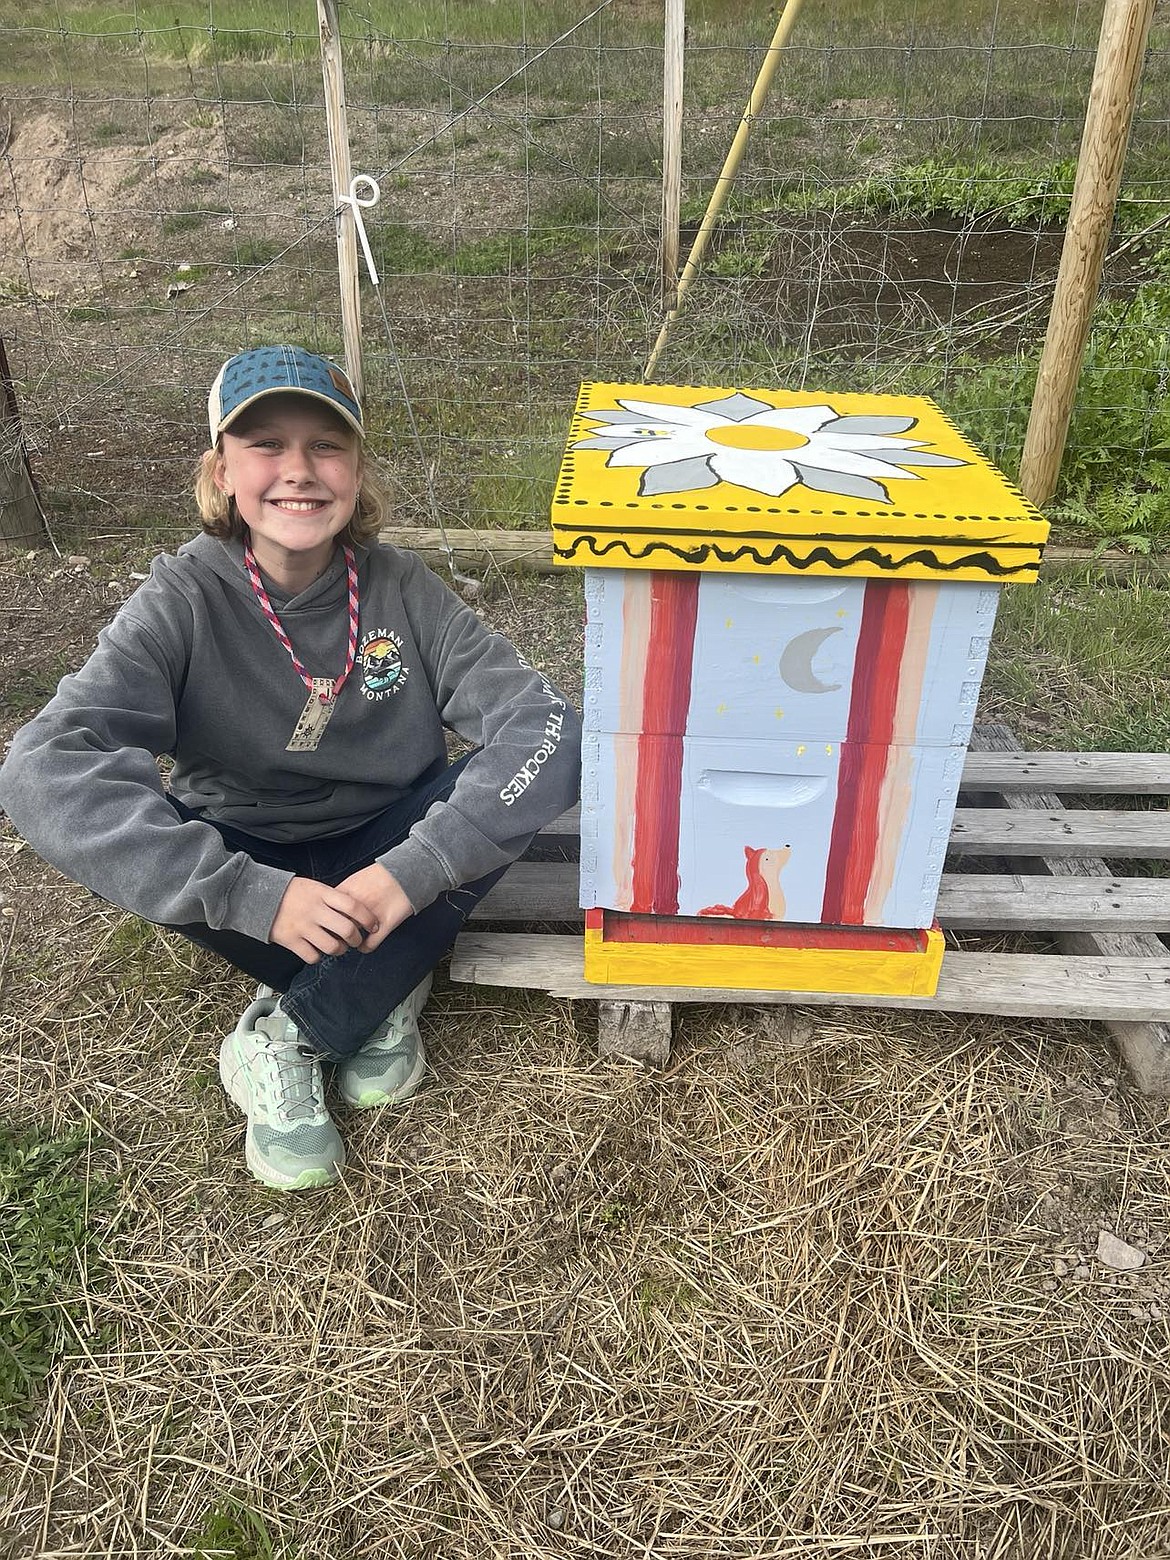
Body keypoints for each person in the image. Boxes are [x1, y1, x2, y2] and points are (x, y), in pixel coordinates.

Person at [0, 345, 581, 1192]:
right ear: (222, 470)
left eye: (327, 446)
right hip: (250, 857)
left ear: (357, 469)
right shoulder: (180, 600)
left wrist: (409, 875)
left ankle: (289, 1033)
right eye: (266, 444)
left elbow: (545, 729)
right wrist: (251, 896)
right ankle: (386, 978)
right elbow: (43, 766)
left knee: (508, 790)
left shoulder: (402, 589)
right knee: (132, 819)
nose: (299, 472)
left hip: (387, 848)